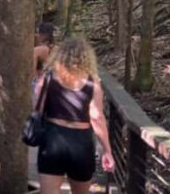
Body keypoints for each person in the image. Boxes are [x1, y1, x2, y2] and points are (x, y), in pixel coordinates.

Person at [34, 37, 114, 194]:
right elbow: (97, 117)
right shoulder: (92, 83)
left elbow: (37, 107)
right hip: (81, 143)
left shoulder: (48, 78)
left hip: (52, 140)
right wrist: (107, 150)